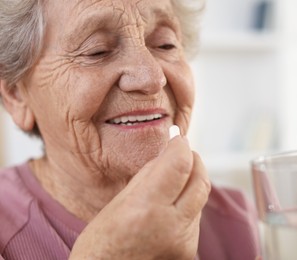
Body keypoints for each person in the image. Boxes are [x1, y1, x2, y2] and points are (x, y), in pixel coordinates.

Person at [0, 0, 261, 259]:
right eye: (97, 51)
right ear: (16, 96)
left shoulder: (237, 222)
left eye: (165, 44)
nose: (152, 77)